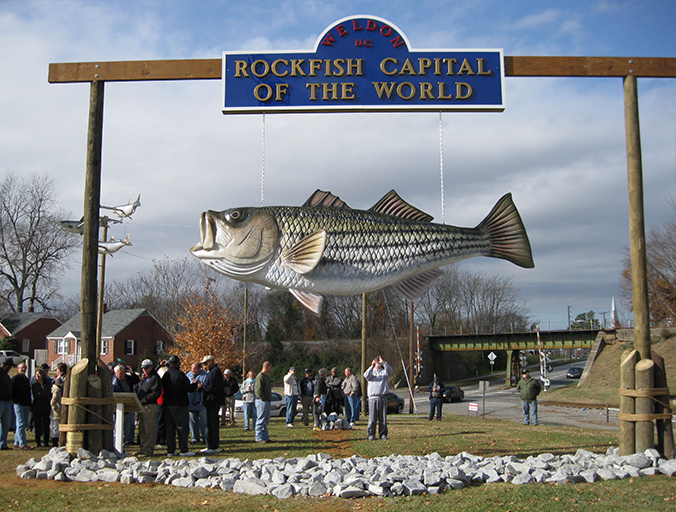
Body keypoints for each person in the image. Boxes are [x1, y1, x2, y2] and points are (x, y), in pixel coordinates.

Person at [160, 355, 197, 456]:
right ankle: (184, 449)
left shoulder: (166, 375)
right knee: (182, 427)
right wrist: (195, 384)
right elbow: (187, 388)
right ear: (177, 363)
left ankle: (170, 450)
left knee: (170, 429)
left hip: (168, 404)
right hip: (180, 404)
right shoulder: (180, 375)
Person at [198, 355, 224, 454]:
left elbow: (214, 387)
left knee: (212, 424)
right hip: (210, 401)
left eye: (206, 363)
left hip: (213, 401)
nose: (205, 366)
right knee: (209, 424)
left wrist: (202, 386)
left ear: (211, 361)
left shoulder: (215, 371)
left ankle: (213, 446)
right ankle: (210, 445)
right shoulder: (212, 372)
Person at [136, 359, 162, 457]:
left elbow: (156, 393)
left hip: (150, 406)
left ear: (151, 367)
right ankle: (143, 448)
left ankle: (148, 450)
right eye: (143, 368)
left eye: (146, 368)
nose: (144, 370)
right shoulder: (146, 378)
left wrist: (145, 399)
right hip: (142, 406)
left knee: (149, 429)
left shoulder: (155, 378)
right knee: (142, 429)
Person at [364, 355, 393, 441]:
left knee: (382, 418)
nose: (378, 363)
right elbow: (365, 375)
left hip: (382, 397)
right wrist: (371, 366)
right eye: (377, 361)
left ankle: (383, 434)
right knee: (372, 418)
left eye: (378, 362)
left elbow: (390, 371)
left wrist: (383, 362)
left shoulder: (384, 372)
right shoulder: (371, 372)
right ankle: (371, 434)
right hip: (372, 398)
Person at [112, 364, 140, 446]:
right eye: (120, 373)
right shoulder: (113, 383)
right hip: (118, 409)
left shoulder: (127, 379)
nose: (122, 375)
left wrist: (131, 372)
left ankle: (125, 442)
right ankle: (117, 445)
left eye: (123, 372)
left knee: (129, 427)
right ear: (115, 373)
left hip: (128, 407)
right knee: (118, 428)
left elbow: (136, 380)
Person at [11, 361, 31, 449]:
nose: (23, 369)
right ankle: (22, 444)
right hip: (18, 404)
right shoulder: (15, 379)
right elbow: (12, 391)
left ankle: (16, 441)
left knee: (22, 423)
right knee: (21, 423)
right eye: (21, 368)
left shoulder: (26, 379)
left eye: (24, 368)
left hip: (25, 404)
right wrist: (15, 401)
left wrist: (29, 404)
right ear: (17, 369)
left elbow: (28, 392)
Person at [186, 361, 207, 444]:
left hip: (201, 402)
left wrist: (201, 386)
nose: (193, 371)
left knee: (203, 422)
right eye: (192, 369)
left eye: (195, 369)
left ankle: (205, 437)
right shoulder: (188, 375)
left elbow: (207, 386)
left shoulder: (205, 376)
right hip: (191, 402)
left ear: (199, 368)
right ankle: (195, 437)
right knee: (192, 421)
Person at [31, 368, 52, 447]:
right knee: (37, 425)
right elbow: (36, 395)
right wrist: (44, 394)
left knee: (46, 424)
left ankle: (46, 441)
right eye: (36, 375)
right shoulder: (34, 385)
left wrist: (42, 394)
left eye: (39, 374)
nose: (38, 376)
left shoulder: (47, 384)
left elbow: (50, 394)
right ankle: (38, 442)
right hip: (37, 407)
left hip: (46, 407)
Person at [254, 361, 272, 443]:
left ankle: (265, 437)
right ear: (268, 367)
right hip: (261, 401)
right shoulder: (260, 376)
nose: (270, 370)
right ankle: (258, 437)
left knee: (265, 421)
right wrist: (263, 399)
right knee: (260, 419)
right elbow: (258, 390)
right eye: (270, 368)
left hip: (267, 400)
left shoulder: (267, 377)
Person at [50, 363, 68, 447]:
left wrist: (54, 406)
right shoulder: (68, 379)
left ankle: (55, 442)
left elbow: (54, 398)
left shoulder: (57, 381)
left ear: (59, 370)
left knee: (55, 425)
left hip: (58, 406)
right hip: (66, 406)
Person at [0, 358, 14, 450]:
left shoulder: (6, 375)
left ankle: (3, 444)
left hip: (7, 401)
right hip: (1, 401)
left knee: (6, 425)